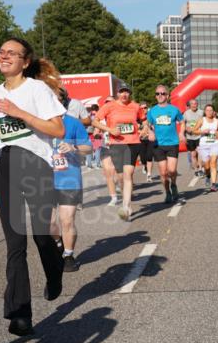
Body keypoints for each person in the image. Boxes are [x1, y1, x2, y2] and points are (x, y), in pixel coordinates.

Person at [0, 38, 66, 336]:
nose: (3, 56)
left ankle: (55, 268)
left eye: (11, 53)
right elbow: (12, 133)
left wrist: (20, 113)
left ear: (25, 61)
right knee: (15, 242)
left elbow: (57, 129)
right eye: (1, 52)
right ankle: (20, 313)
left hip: (35, 165)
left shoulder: (37, 89)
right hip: (6, 163)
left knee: (41, 236)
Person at [93, 85, 144, 221]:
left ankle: (126, 206)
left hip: (132, 143)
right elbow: (95, 122)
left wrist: (145, 129)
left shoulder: (135, 106)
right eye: (122, 92)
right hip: (116, 144)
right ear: (117, 94)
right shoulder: (109, 106)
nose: (124, 94)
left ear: (130, 94)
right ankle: (125, 199)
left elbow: (144, 119)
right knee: (121, 177)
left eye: (127, 92)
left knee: (128, 174)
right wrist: (110, 130)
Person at [50, 111, 92, 272]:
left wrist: (73, 147)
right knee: (48, 223)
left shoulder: (73, 122)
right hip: (43, 180)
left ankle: (68, 255)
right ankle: (59, 242)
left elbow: (89, 148)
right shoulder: (36, 120)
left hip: (69, 179)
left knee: (66, 220)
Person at [146, 85, 184, 204]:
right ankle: (167, 193)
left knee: (172, 170)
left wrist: (181, 133)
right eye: (157, 93)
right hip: (158, 145)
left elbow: (182, 122)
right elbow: (147, 124)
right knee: (163, 173)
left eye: (162, 93)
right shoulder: (152, 111)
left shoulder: (174, 109)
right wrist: (150, 132)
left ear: (167, 95)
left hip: (172, 143)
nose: (160, 96)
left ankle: (174, 184)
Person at [192, 104, 218, 193]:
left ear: (213, 112)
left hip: (214, 144)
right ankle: (208, 175)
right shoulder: (202, 120)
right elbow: (194, 130)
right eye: (207, 110)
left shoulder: (217, 121)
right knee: (207, 165)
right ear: (205, 112)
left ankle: (213, 185)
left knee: (213, 163)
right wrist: (202, 131)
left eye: (211, 110)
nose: (209, 112)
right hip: (204, 145)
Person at [183, 98, 204, 176]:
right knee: (193, 154)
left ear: (197, 104)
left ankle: (200, 168)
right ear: (190, 105)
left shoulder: (201, 112)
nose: (194, 105)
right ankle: (196, 170)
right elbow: (182, 124)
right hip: (190, 137)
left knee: (200, 152)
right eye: (192, 104)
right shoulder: (186, 113)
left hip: (199, 135)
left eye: (195, 104)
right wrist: (186, 129)